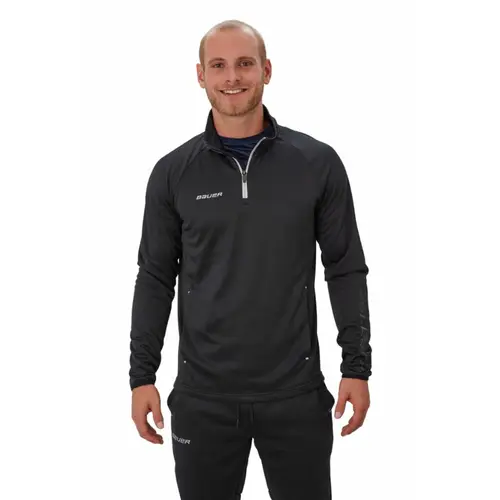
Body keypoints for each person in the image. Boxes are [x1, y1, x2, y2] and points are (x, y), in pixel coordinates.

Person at [129, 19, 372, 500]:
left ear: (267, 70)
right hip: (203, 398)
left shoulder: (316, 162)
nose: (232, 77)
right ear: (200, 75)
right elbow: (154, 278)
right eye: (218, 65)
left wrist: (357, 366)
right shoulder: (173, 172)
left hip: (296, 395)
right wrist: (142, 377)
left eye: (244, 63)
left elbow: (345, 267)